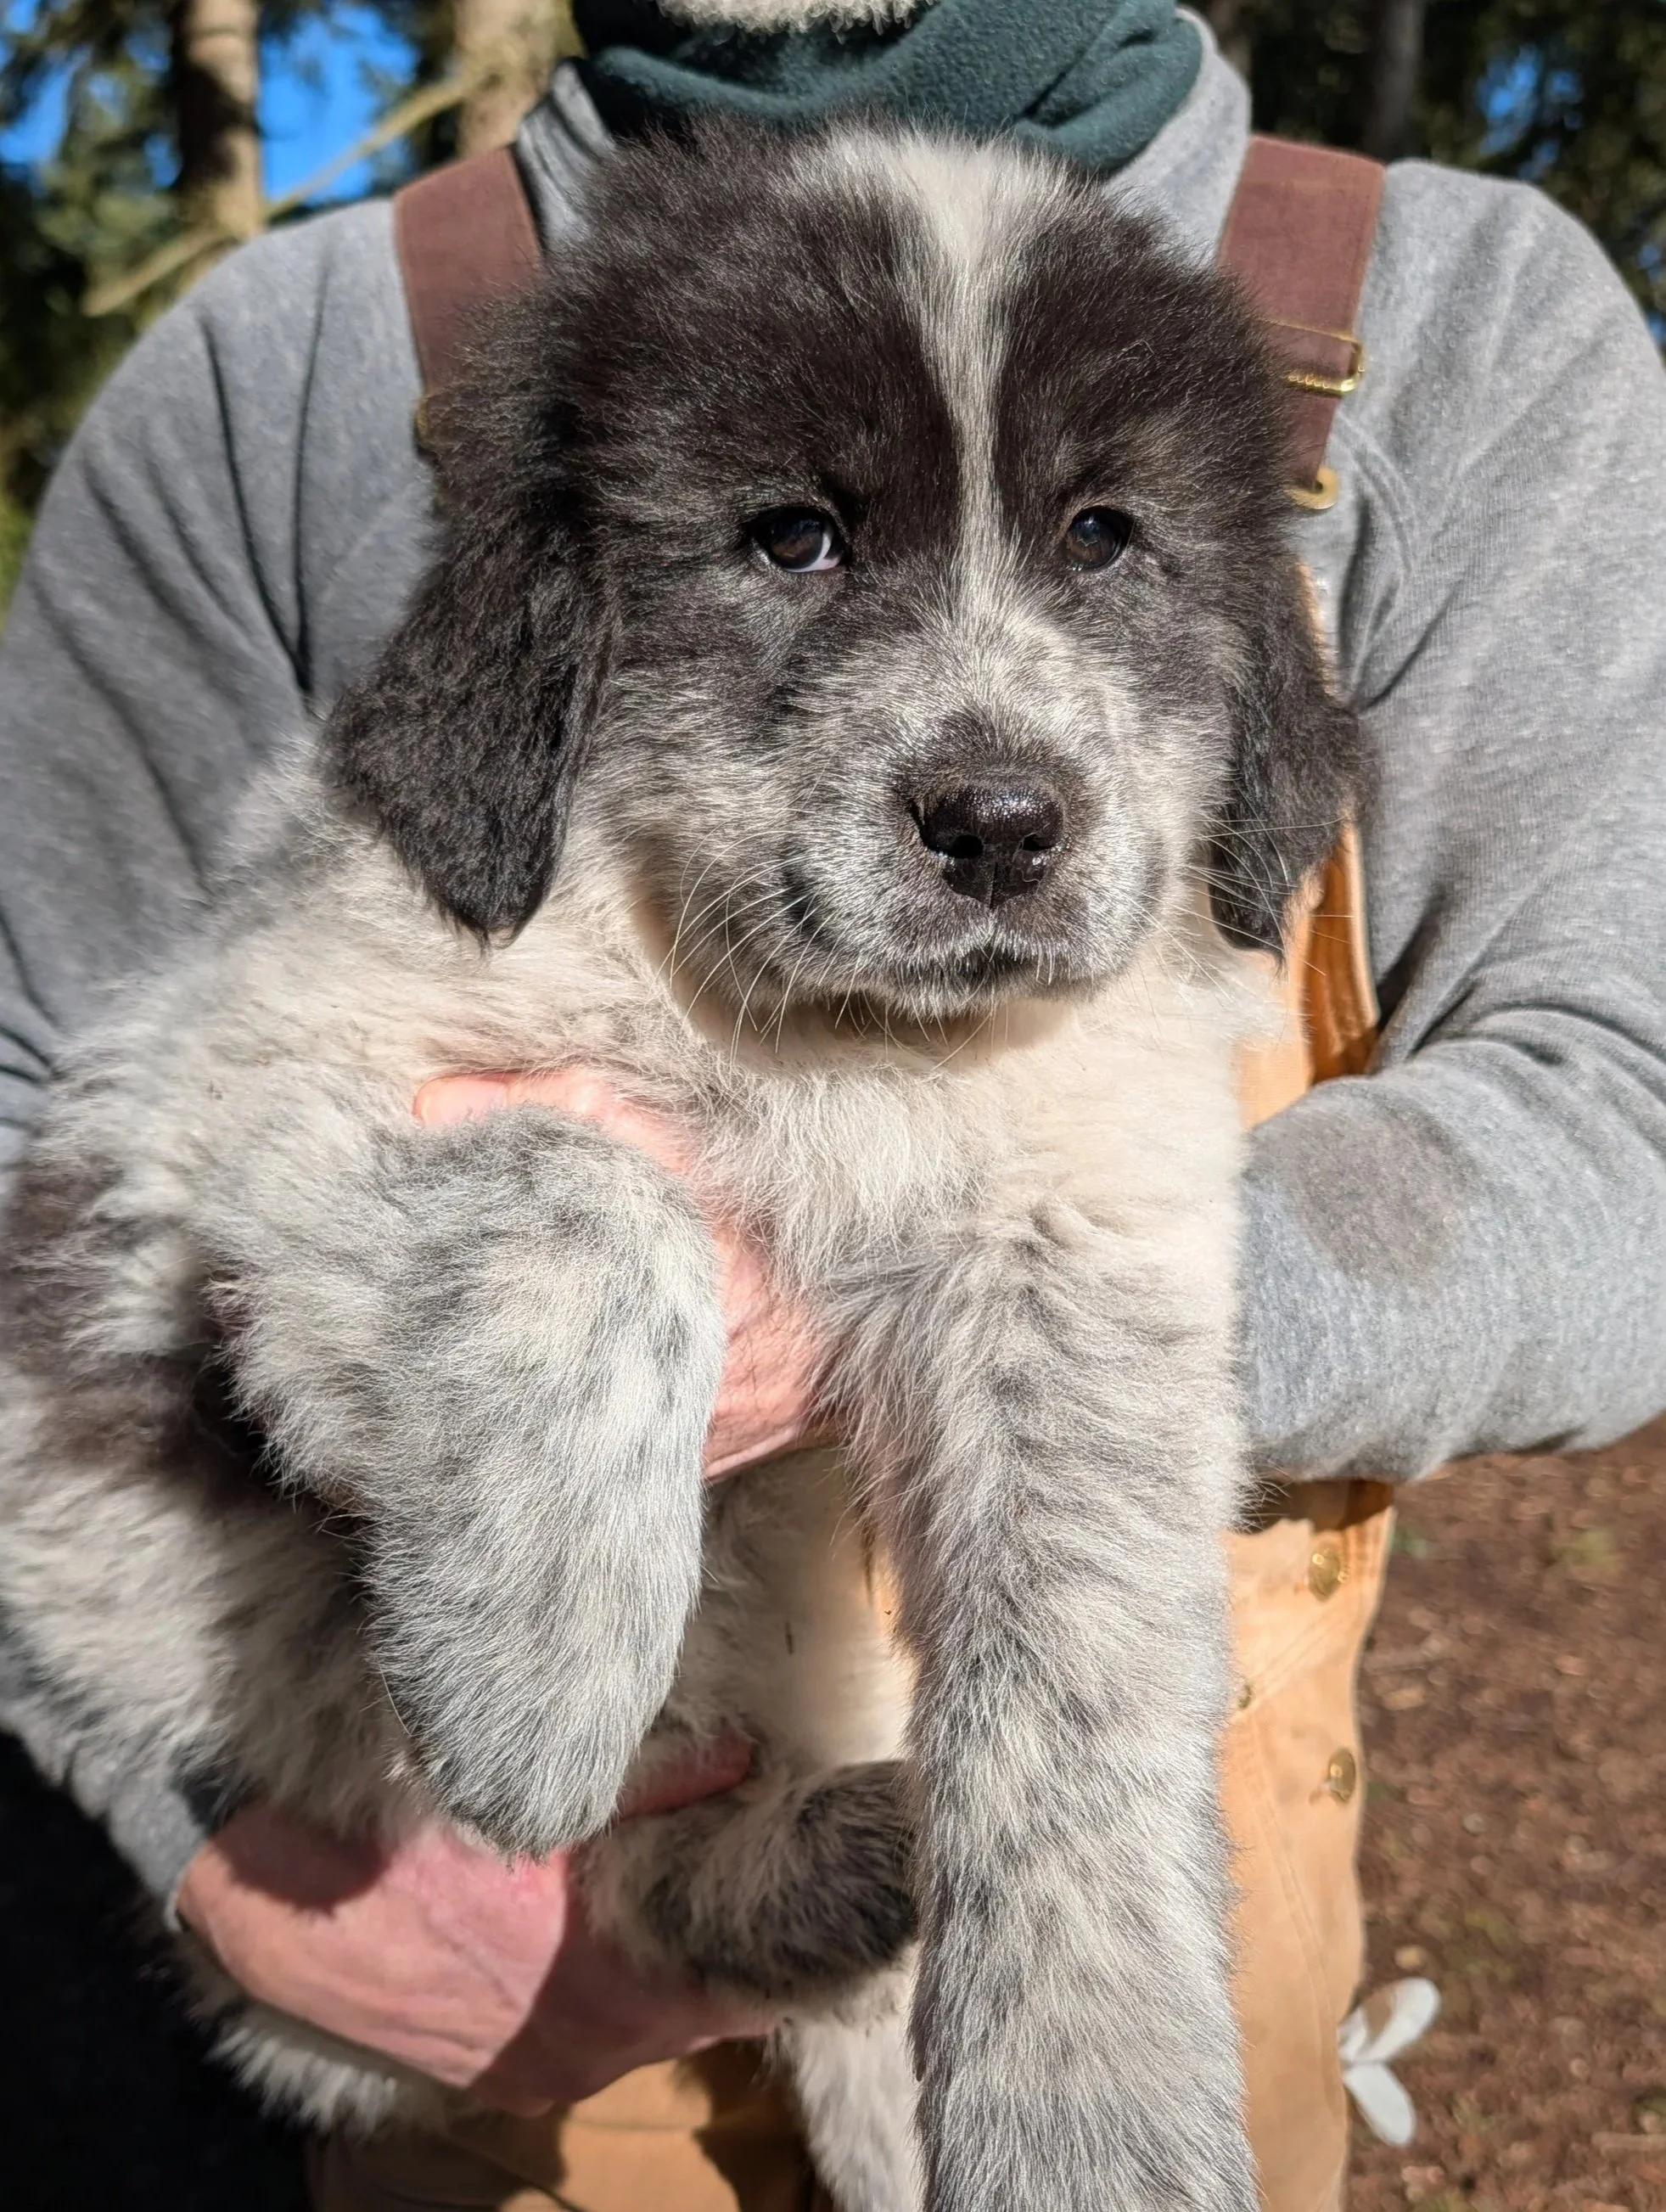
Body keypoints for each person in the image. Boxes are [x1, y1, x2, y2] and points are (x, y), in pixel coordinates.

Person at [3, 3, 1665, 2209]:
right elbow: (52, 1112)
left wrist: (980, 1282)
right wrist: (195, 1836)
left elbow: (1627, 1120)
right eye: (790, 538)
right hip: (443, 1999)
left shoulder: (1467, 324)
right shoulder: (283, 366)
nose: (994, 752)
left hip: (1130, 1916)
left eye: (1102, 544)